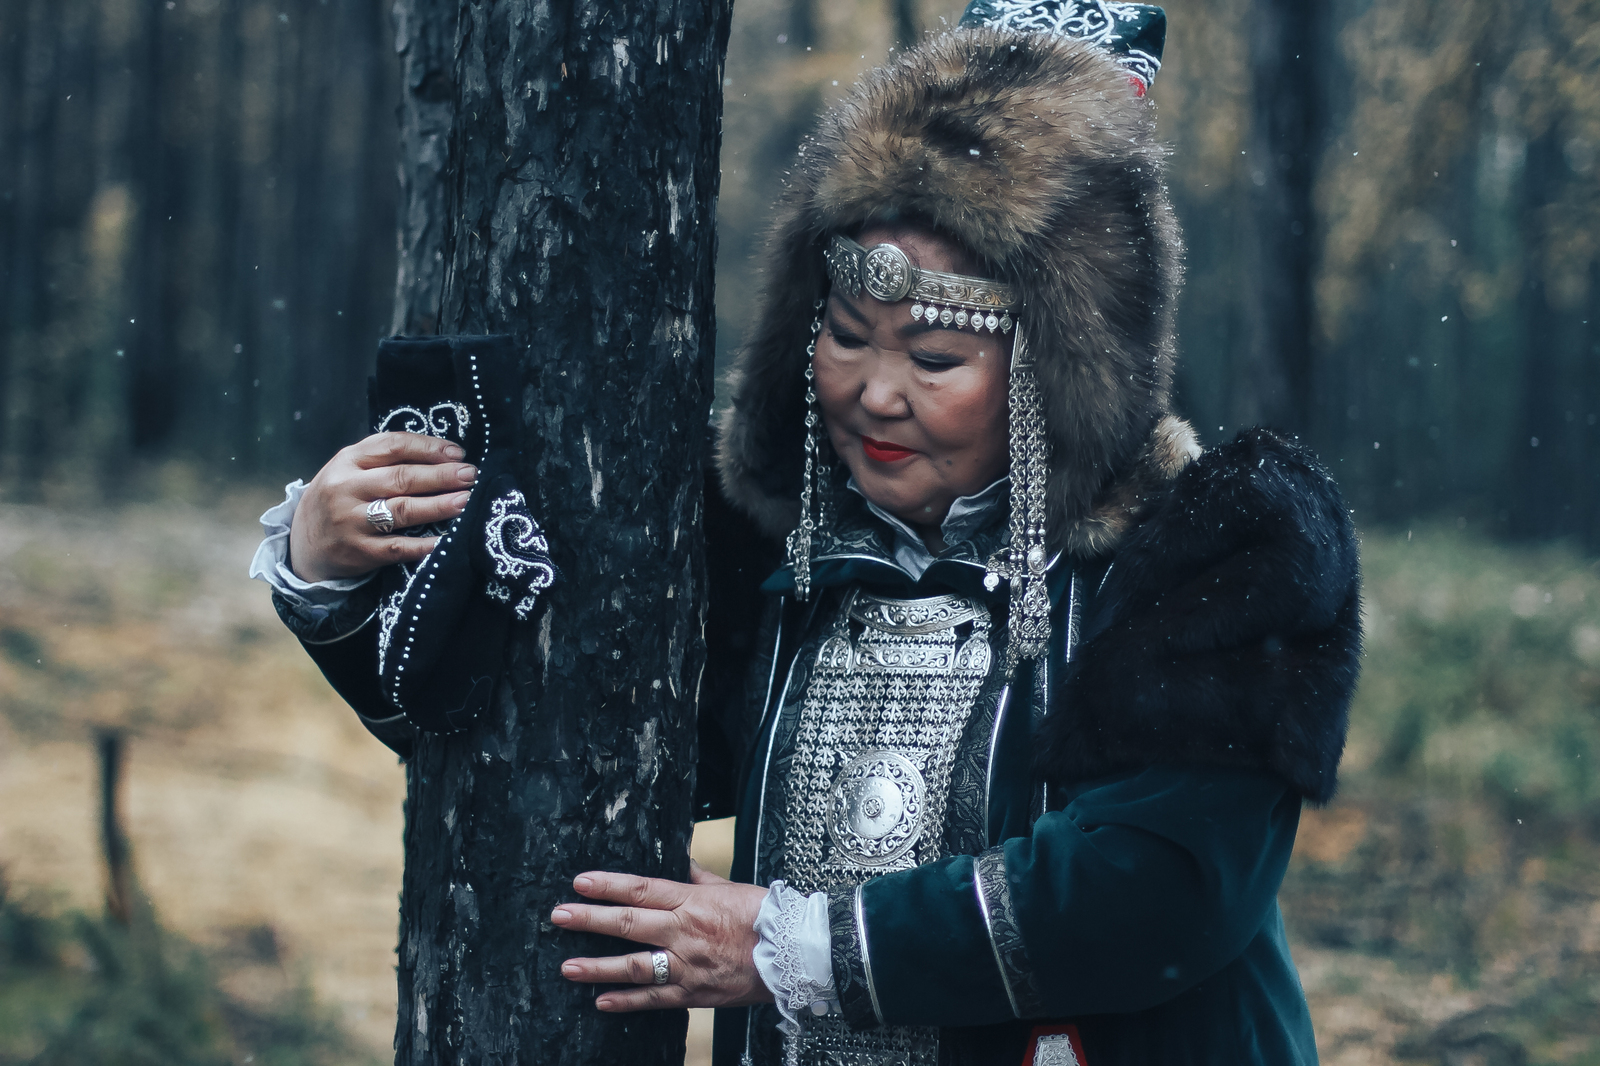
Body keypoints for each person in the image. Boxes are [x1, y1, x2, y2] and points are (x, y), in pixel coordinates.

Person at [252, 6, 1361, 1064]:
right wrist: (335, 571)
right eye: (843, 335)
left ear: (1057, 372)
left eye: (933, 359)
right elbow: (536, 733)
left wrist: (798, 948)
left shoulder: (1218, 552)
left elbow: (1156, 889)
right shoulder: (772, 550)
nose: (873, 394)